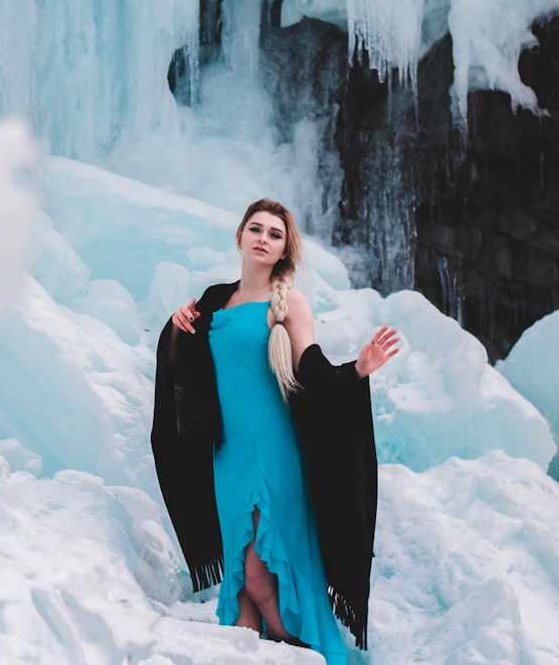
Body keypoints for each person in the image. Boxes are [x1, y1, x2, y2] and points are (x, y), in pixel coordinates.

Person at [150, 198, 399, 665]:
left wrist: (356, 371)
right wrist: (177, 329)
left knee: (263, 581)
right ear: (240, 237)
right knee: (243, 590)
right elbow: (184, 373)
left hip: (273, 452)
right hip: (227, 458)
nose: (263, 238)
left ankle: (312, 657)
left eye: (275, 234)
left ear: (284, 250)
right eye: (256, 229)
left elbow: (312, 370)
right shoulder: (211, 300)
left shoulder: (288, 302)